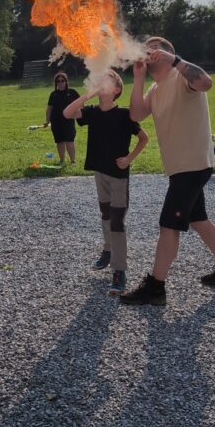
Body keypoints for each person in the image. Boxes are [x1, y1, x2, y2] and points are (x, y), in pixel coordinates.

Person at [120, 37, 215, 306]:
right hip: (183, 168)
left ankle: (156, 286)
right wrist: (138, 77)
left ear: (165, 55)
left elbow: (206, 83)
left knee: (168, 226)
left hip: (192, 165)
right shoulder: (155, 88)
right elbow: (136, 115)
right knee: (199, 220)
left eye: (154, 50)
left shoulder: (181, 76)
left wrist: (175, 60)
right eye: (147, 50)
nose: (148, 54)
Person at [63, 70, 148, 295]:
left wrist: (129, 158)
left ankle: (119, 271)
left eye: (106, 82)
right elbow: (67, 113)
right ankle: (108, 250)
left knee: (117, 221)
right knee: (105, 215)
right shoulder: (91, 112)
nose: (101, 84)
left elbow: (144, 138)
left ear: (117, 90)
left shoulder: (124, 115)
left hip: (118, 176)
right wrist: (87, 95)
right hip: (99, 172)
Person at [45, 72, 80, 165]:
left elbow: (81, 103)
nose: (60, 83)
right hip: (56, 121)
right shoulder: (53, 94)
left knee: (69, 140)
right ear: (56, 83)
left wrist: (79, 114)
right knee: (59, 141)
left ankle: (73, 161)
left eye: (62, 81)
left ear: (66, 82)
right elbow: (49, 109)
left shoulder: (72, 92)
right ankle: (62, 161)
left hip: (68, 121)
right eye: (58, 81)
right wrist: (47, 121)